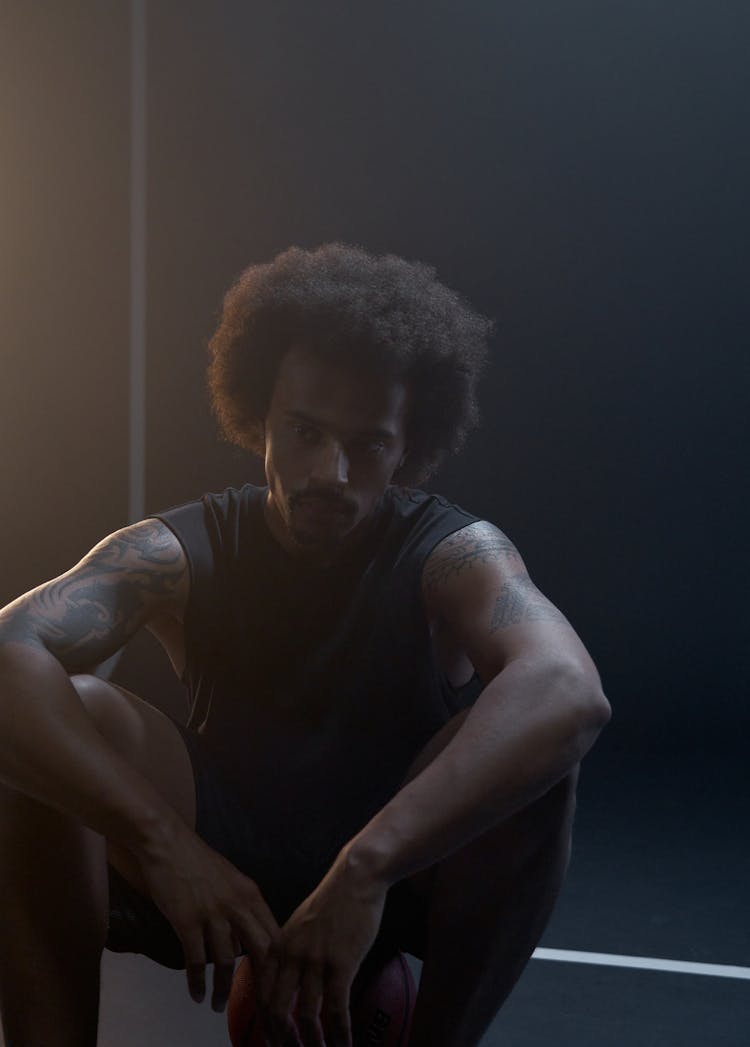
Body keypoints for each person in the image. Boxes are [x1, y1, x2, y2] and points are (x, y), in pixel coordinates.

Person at [0, 243, 611, 1047]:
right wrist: (162, 842)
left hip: (398, 875)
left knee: (542, 761)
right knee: (51, 720)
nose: (331, 470)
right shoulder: (177, 550)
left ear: (407, 445)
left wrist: (366, 870)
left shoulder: (454, 552)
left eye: (368, 444)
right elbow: (9, 652)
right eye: (306, 432)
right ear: (260, 418)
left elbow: (571, 689)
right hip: (214, 861)